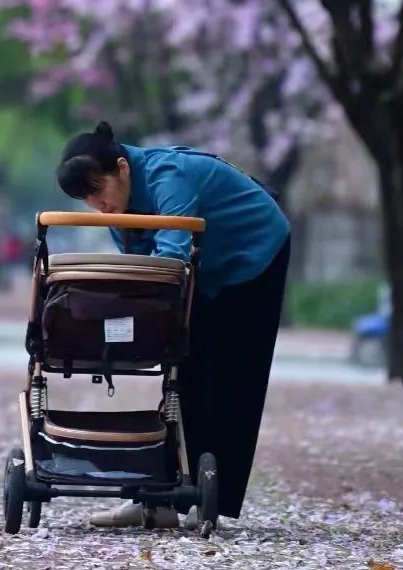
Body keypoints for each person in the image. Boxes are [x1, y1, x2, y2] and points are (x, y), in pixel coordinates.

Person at [55, 121, 290, 529]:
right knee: (176, 372)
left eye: (98, 190)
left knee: (227, 377)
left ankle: (208, 496)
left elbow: (169, 259)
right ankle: (156, 497)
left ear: (123, 168)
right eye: (86, 198)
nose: (97, 205)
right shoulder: (117, 208)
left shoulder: (169, 175)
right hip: (202, 264)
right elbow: (139, 269)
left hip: (253, 253)